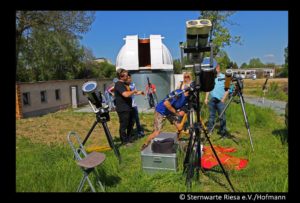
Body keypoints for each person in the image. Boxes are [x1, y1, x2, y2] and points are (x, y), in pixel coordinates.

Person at [141, 86, 192, 151]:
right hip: (161, 111)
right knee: (157, 132)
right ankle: (145, 144)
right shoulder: (178, 93)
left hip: (170, 112)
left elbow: (183, 110)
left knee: (179, 127)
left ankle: (178, 142)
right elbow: (166, 103)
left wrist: (182, 111)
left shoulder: (188, 99)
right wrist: (176, 113)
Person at [114, 68, 144, 146]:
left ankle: (129, 138)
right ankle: (124, 141)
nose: (128, 77)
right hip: (123, 108)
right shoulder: (118, 84)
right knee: (124, 125)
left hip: (129, 107)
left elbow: (130, 93)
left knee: (131, 123)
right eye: (126, 75)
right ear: (121, 76)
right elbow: (125, 94)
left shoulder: (125, 84)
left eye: (127, 75)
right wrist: (134, 91)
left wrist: (139, 92)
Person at [204, 60, 230, 138]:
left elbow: (228, 89)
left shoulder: (225, 77)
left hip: (220, 100)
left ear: (218, 68)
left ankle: (223, 133)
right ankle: (210, 131)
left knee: (222, 117)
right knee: (211, 116)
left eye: (214, 68)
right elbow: (208, 88)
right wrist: (206, 98)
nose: (213, 70)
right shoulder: (211, 77)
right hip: (212, 100)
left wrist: (224, 98)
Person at [127, 73, 145, 138]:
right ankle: (129, 133)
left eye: (130, 78)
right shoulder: (124, 85)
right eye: (128, 78)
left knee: (136, 119)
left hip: (134, 105)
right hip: (128, 106)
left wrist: (140, 92)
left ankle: (139, 132)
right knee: (130, 120)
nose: (130, 79)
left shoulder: (133, 84)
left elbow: (136, 92)